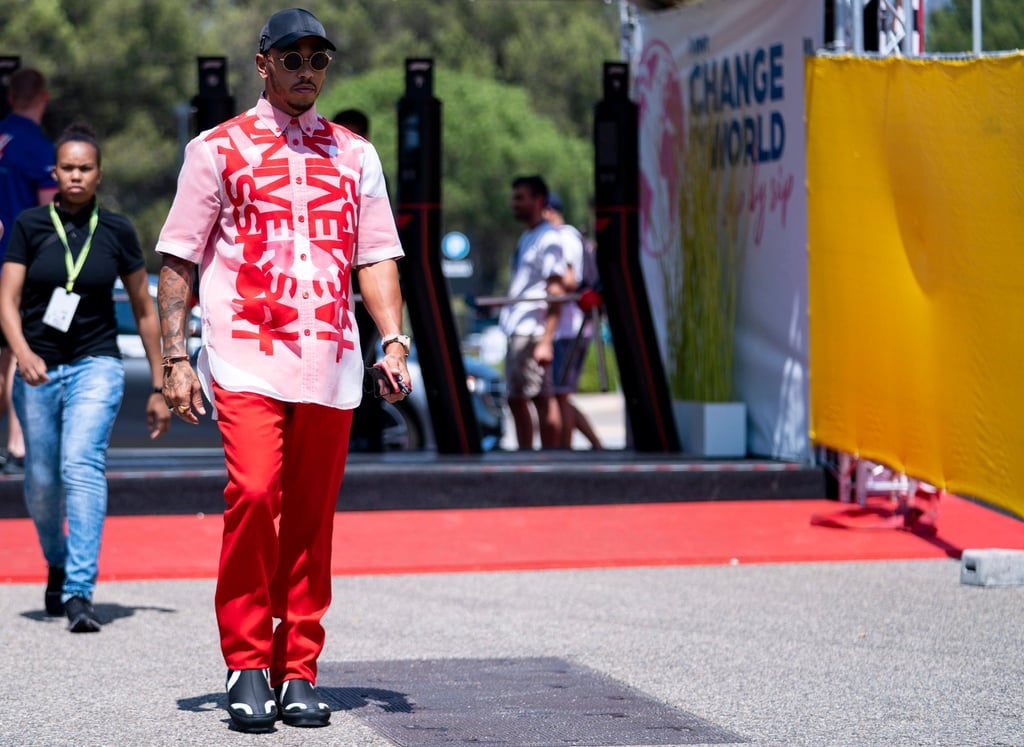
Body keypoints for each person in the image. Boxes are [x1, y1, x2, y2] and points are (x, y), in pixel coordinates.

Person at [156, 8, 410, 733]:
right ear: (263, 64)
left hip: (330, 358)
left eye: (317, 59)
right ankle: (245, 662)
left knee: (310, 515)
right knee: (254, 491)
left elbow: (376, 255)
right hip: (245, 354)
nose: (306, 70)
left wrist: (394, 342)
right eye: (292, 58)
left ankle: (297, 669)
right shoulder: (215, 148)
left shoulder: (356, 154)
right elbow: (178, 256)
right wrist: (174, 358)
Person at [0, 123, 170, 633]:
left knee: (81, 465)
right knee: (42, 480)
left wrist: (160, 385)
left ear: (98, 173)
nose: (76, 176)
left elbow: (144, 309)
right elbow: (6, 299)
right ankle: (56, 561)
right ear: (54, 173)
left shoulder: (116, 229)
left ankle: (78, 590)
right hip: (38, 368)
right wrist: (22, 353)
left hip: (96, 364)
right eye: (68, 168)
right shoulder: (30, 224)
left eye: (85, 168)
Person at [0, 68, 58, 475]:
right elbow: (50, 211)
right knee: (20, 352)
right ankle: (18, 445)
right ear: (44, 98)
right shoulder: (38, 147)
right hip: (19, 265)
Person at [499, 175, 567, 450]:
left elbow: (556, 290)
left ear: (538, 200)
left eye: (520, 198)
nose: (514, 204)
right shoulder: (529, 236)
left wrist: (546, 340)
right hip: (519, 327)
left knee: (538, 397)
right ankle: (529, 455)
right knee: (519, 397)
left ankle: (545, 458)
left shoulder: (549, 238)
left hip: (532, 330)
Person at [543, 193, 602, 449]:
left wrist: (548, 285)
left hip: (567, 328)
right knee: (561, 395)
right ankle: (595, 444)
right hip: (574, 327)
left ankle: (564, 451)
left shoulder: (561, 238)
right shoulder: (574, 236)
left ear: (547, 211)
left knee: (559, 396)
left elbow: (568, 280)